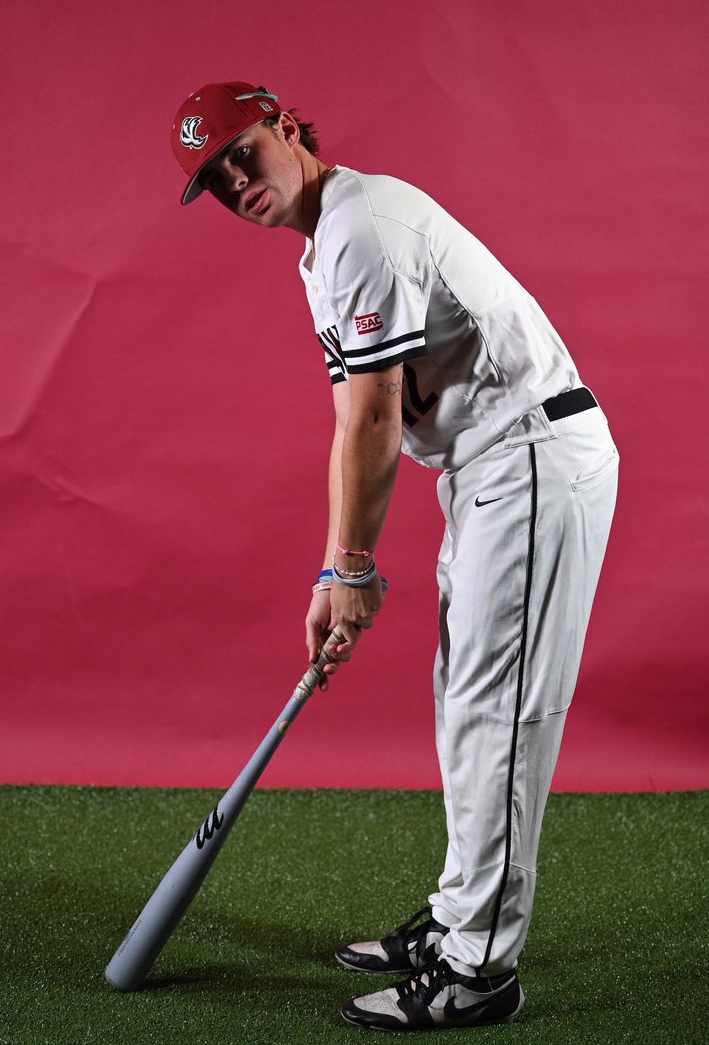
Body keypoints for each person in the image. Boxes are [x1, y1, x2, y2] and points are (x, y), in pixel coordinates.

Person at [170, 81, 619, 1032]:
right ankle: (460, 921)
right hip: (492, 469)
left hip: (529, 456)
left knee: (496, 716)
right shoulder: (329, 240)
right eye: (214, 179)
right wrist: (341, 570)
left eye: (245, 150)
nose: (237, 180)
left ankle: (479, 969)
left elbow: (373, 417)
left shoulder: (361, 227)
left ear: (287, 127)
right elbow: (359, 414)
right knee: (469, 706)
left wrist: (350, 570)